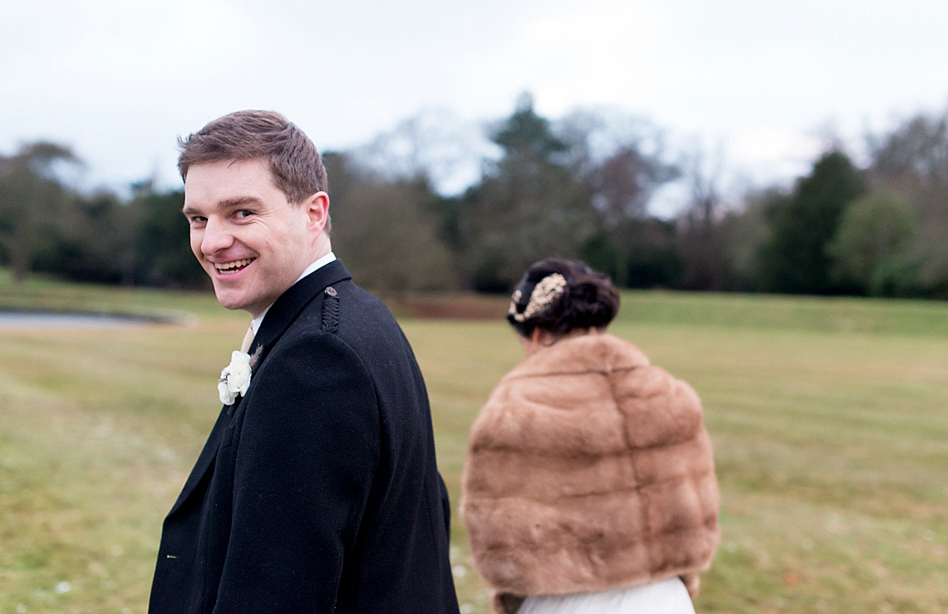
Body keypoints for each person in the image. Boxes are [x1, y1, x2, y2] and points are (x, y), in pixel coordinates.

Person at [149, 110, 460, 614]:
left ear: (314, 213)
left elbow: (276, 593)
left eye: (242, 213)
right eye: (198, 218)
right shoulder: (356, 316)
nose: (211, 242)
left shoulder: (318, 360)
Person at [460, 258, 720, 614]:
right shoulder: (671, 394)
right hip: (664, 599)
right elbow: (695, 514)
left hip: (563, 604)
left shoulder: (515, 408)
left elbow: (498, 539)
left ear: (535, 334)